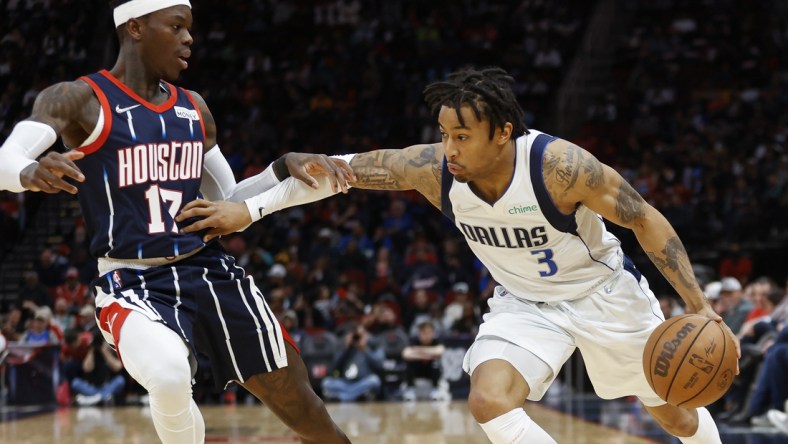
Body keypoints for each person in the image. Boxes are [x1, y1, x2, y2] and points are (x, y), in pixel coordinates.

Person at [180, 66, 740, 444]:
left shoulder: (561, 167)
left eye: (462, 136)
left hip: (601, 295)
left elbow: (644, 217)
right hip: (525, 304)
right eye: (444, 134)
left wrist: (699, 306)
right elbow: (340, 172)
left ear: (502, 132)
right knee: (489, 399)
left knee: (672, 407)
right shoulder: (432, 169)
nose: (449, 149)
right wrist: (250, 210)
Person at [0, 1, 352, 443]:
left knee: (304, 408)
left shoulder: (195, 110)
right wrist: (28, 172)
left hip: (208, 269)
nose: (189, 39)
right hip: (132, 280)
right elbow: (5, 160)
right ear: (135, 27)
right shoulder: (79, 99)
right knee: (168, 376)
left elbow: (226, 205)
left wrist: (281, 167)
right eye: (177, 26)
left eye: (190, 29)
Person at [321, 323, 384, 402]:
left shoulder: (373, 345)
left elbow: (379, 365)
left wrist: (365, 349)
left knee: (375, 380)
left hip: (363, 382)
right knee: (326, 382)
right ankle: (357, 396)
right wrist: (345, 349)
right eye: (355, 336)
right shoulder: (344, 346)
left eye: (360, 335)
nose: (357, 338)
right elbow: (333, 368)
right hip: (345, 383)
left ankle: (343, 397)